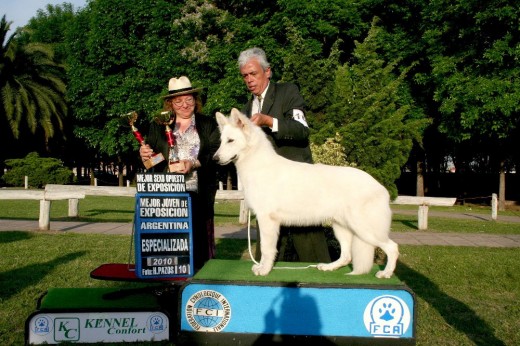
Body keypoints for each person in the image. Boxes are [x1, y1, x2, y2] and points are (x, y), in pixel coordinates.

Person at [238, 47, 331, 263]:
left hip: (296, 181)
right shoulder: (245, 109)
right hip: (266, 188)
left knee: (308, 239)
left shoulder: (288, 92)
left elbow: (301, 130)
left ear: (267, 71)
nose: (249, 80)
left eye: (254, 74)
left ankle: (323, 285)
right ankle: (267, 283)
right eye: (245, 76)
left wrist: (269, 121)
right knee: (267, 244)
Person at [139, 76, 221, 271]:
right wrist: (145, 157)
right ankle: (169, 284)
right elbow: (156, 161)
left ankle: (199, 281)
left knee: (198, 243)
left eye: (189, 99)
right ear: (170, 104)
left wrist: (192, 163)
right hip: (167, 196)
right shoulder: (158, 125)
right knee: (170, 246)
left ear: (195, 100)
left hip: (198, 194)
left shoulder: (208, 124)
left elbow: (215, 154)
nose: (184, 105)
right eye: (178, 101)